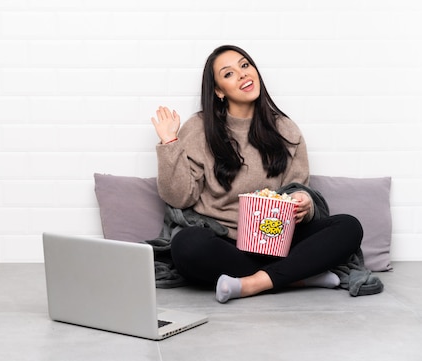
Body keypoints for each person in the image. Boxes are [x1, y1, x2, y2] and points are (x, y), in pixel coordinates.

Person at [150, 45, 363, 303]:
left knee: (349, 227)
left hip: (278, 241)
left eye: (245, 65)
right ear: (218, 91)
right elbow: (179, 198)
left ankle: (253, 283)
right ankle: (298, 276)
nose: (242, 75)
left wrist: (304, 204)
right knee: (187, 246)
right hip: (224, 243)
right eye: (228, 74)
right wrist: (170, 142)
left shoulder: (285, 129)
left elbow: (297, 188)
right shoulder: (197, 129)